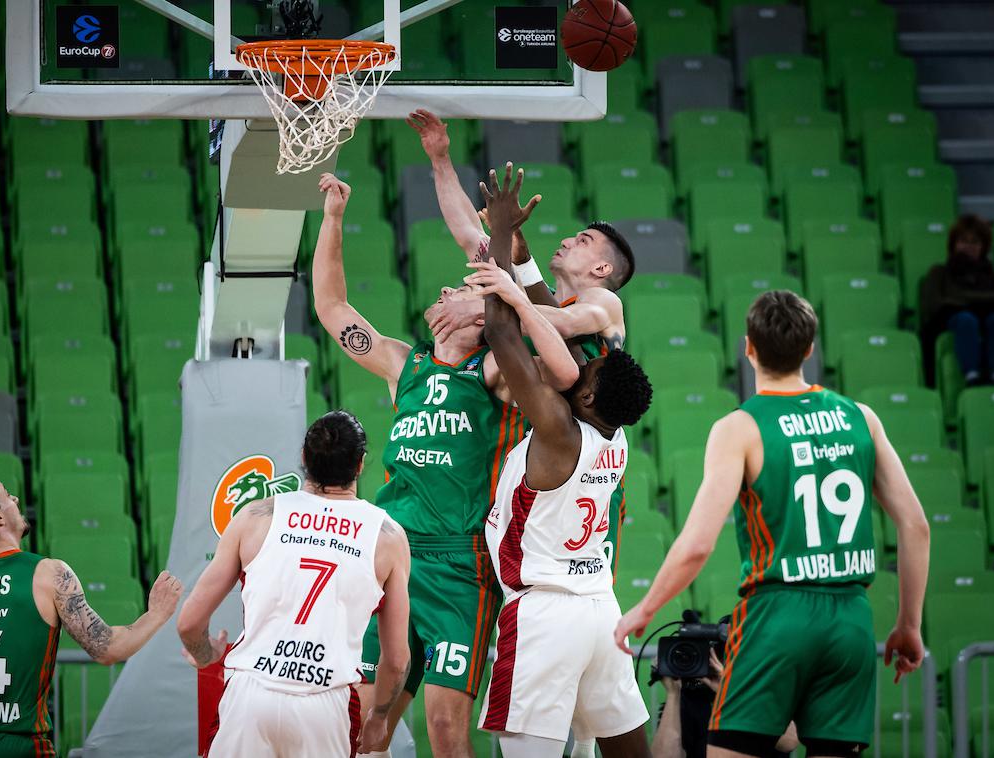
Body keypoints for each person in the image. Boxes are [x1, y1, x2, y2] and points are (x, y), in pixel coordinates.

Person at [312, 171, 581, 757]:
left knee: (445, 729)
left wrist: (511, 267)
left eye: (475, 293)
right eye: (457, 290)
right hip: (392, 557)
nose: (464, 292)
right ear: (439, 313)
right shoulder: (402, 365)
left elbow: (558, 361)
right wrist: (333, 218)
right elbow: (331, 306)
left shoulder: (492, 372)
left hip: (462, 565)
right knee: (363, 722)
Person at [614, 290, 931, 757]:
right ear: (809, 349)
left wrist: (644, 610)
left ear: (748, 348)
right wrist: (908, 624)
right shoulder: (861, 418)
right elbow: (916, 526)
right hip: (850, 617)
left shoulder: (740, 427)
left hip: (777, 614)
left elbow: (698, 544)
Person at [469, 163, 653, 758]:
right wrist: (520, 265)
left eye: (590, 369)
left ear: (592, 394)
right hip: (602, 610)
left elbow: (503, 336)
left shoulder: (556, 428)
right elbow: (566, 346)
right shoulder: (614, 439)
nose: (580, 365)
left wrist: (498, 239)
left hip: (545, 614)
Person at [176, 411, 412, 757]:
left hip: (251, 696)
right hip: (324, 706)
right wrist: (378, 718)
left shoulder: (256, 516)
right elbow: (395, 659)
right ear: (360, 464)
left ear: (304, 458)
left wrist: (206, 653)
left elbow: (188, 623)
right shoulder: (387, 536)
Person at [0, 471, 182, 758]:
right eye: (7, 495)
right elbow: (108, 649)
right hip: (16, 743)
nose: (15, 499)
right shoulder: (47, 574)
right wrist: (157, 614)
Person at [407, 109, 633, 356]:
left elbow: (565, 323)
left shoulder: (605, 301)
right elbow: (469, 231)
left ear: (601, 269)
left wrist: (479, 309)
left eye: (583, 241)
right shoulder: (526, 295)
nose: (567, 241)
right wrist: (440, 159)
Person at [651, 647, 798, 758]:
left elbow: (789, 741)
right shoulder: (692, 701)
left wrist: (731, 691)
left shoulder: (765, 692)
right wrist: (673, 693)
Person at [919, 214, 994, 385]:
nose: (969, 246)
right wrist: (978, 303)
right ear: (953, 244)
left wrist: (960, 300)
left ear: (983, 247)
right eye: (963, 241)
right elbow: (935, 305)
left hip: (987, 319)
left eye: (975, 242)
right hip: (952, 320)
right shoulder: (939, 272)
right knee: (966, 319)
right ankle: (972, 376)